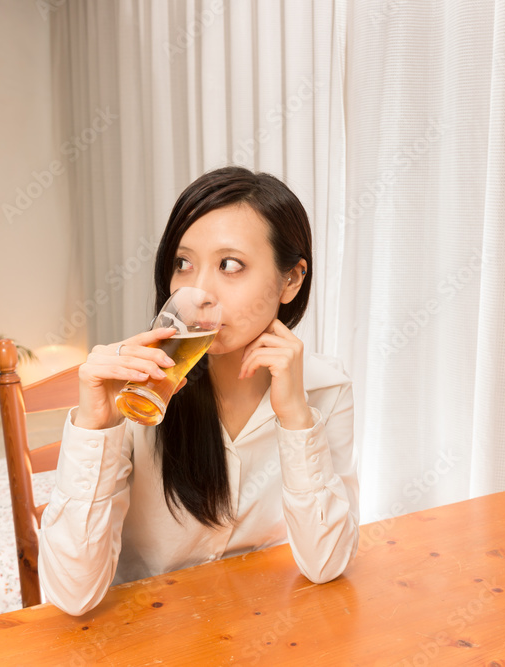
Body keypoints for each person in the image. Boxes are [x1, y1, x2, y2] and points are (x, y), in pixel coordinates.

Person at [38, 166, 359, 616]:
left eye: (230, 265)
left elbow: (326, 563)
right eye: (183, 264)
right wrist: (96, 428)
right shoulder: (137, 393)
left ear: (291, 280)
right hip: (147, 628)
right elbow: (73, 595)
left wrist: (295, 418)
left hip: (262, 625)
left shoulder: (326, 389)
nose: (199, 291)